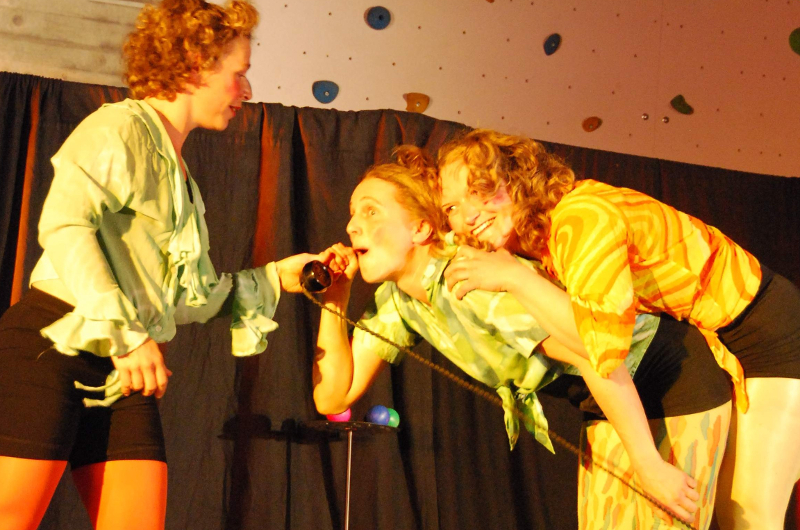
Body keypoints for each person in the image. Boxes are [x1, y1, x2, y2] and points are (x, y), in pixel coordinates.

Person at [0, 1, 321, 529]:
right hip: (52, 345)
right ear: (195, 66)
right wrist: (126, 335)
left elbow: (183, 299)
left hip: (122, 369)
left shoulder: (180, 177)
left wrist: (275, 277)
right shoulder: (119, 127)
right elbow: (64, 224)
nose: (246, 90)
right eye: (238, 73)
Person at [311, 151, 732, 530]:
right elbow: (333, 397)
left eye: (370, 211)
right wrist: (336, 298)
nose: (352, 226)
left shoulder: (470, 280)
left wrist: (648, 464)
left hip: (669, 379)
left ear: (421, 227)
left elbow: (592, 353)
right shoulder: (399, 302)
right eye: (352, 214)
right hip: (611, 399)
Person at [437, 128, 800, 530]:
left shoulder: (582, 218)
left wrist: (515, 278)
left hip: (771, 336)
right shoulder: (538, 237)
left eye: (479, 190)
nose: (468, 215)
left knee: (751, 515)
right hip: (723, 341)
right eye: (452, 206)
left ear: (517, 178)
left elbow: (602, 348)